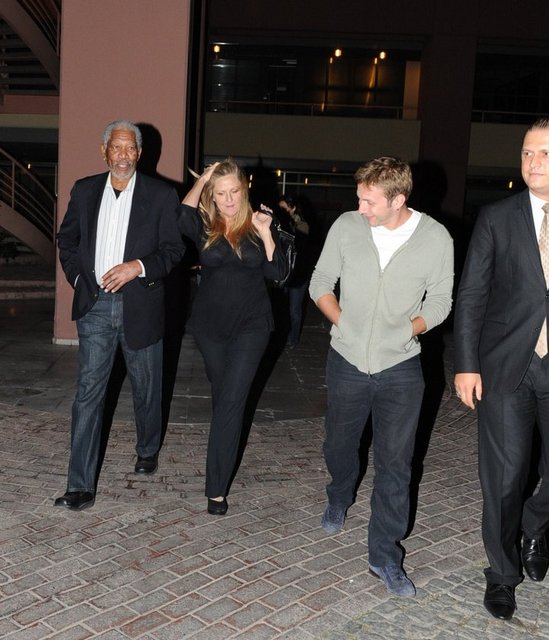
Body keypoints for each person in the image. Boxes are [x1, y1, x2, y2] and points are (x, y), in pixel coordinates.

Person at [309, 156, 453, 597]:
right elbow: (320, 282)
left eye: (369, 201)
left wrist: (408, 330)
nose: (361, 208)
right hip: (346, 359)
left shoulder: (435, 238)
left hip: (401, 367)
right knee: (339, 444)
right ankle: (339, 494)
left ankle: (384, 554)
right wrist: (343, 323)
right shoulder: (347, 226)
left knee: (396, 463)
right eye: (359, 198)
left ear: (398, 199)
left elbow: (441, 301)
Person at [55, 120, 185, 511]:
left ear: (139, 154)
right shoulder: (84, 190)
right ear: (105, 151)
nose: (123, 155)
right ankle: (79, 485)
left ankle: (147, 448)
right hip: (95, 306)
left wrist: (137, 267)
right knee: (88, 394)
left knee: (146, 387)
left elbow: (173, 250)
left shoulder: (161, 195)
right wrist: (81, 279)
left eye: (130, 148)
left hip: (139, 306)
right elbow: (67, 240)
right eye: (117, 147)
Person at [454, 117, 549, 620]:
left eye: (545, 153)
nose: (534, 162)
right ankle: (502, 574)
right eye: (528, 152)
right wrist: (466, 364)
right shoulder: (497, 217)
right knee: (505, 478)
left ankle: (535, 525)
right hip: (507, 365)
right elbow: (471, 294)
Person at [177, 158, 288, 515]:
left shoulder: (259, 222)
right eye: (221, 193)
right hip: (210, 328)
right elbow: (182, 215)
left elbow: (277, 273)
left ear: (245, 189)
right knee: (225, 398)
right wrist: (205, 178)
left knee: (230, 402)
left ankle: (216, 489)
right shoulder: (204, 225)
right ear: (212, 194)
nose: (228, 199)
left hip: (252, 326)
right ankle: (226, 444)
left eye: (234, 191)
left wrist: (267, 232)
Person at [278, 195, 314, 348]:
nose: (281, 211)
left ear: (292, 208)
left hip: (298, 274)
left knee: (294, 309)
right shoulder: (280, 223)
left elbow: (299, 245)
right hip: (283, 274)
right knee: (281, 308)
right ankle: (282, 336)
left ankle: (293, 339)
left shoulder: (302, 225)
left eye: (284, 208)